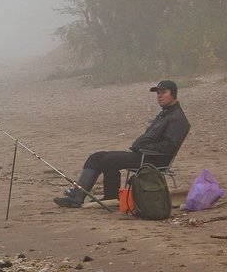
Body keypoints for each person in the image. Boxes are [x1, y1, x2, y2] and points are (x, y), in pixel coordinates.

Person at [53, 79, 190, 207]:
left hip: (152, 159)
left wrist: (144, 147)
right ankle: (77, 195)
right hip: (143, 155)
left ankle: (110, 197)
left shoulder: (177, 118)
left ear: (174, 94)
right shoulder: (165, 113)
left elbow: (169, 147)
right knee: (95, 157)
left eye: (164, 93)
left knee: (109, 160)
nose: (159, 96)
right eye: (158, 93)